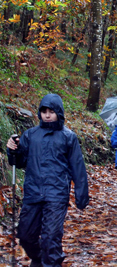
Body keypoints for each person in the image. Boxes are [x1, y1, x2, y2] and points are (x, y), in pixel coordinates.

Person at [6, 94, 89, 267]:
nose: (47, 115)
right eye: (44, 111)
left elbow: (77, 167)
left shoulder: (68, 137)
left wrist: (82, 194)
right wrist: (12, 150)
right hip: (33, 193)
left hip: (56, 194)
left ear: (59, 112)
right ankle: (39, 259)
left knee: (51, 238)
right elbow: (18, 162)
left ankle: (51, 262)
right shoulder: (30, 135)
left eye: (51, 111)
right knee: (25, 235)